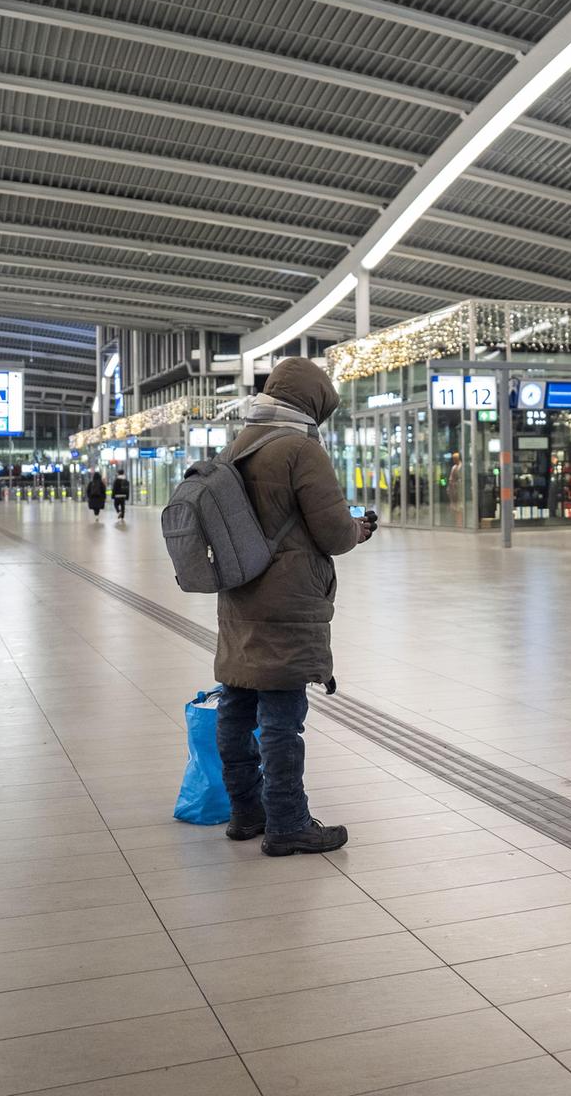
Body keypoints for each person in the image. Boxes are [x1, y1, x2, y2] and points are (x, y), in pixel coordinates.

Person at [214, 358, 377, 857]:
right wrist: (358, 529)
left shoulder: (238, 444)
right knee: (283, 716)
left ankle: (247, 813)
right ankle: (287, 822)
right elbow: (331, 532)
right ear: (310, 402)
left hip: (240, 593)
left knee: (237, 704)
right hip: (287, 599)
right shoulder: (300, 449)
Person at [446, 451, 463, 527]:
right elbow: (451, 479)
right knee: (455, 506)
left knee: (460, 506)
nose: (454, 460)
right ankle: (457, 522)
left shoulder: (462, 467)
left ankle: (460, 522)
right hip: (454, 489)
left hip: (460, 489)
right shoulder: (454, 467)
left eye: (455, 459)